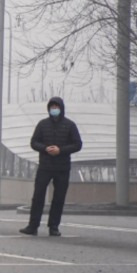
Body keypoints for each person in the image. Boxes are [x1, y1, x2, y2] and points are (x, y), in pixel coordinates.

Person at [20, 97, 83, 237]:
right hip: (45, 166)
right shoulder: (42, 124)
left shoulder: (70, 125)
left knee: (59, 198)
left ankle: (53, 226)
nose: (54, 109)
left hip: (62, 167)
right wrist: (45, 148)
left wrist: (60, 150)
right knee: (38, 196)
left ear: (61, 108)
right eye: (52, 107)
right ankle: (33, 225)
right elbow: (34, 142)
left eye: (56, 107)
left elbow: (77, 144)